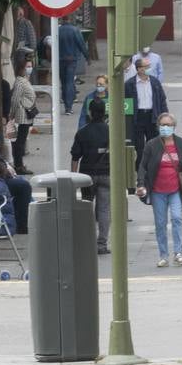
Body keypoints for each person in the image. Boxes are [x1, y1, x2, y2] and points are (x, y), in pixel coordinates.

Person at [136, 112, 182, 268]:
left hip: (175, 189)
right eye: (162, 125)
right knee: (160, 223)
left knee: (177, 218)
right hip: (157, 191)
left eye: (168, 125)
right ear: (158, 126)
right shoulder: (152, 144)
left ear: (174, 127)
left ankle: (178, 253)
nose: (165, 128)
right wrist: (140, 184)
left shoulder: (181, 144)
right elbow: (142, 166)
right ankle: (163, 255)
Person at [70, 98, 112, 254]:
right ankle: (102, 244)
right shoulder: (111, 131)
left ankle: (87, 242)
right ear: (104, 113)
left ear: (90, 112)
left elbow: (75, 157)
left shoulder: (82, 132)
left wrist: (74, 179)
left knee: (87, 208)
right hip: (107, 174)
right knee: (104, 210)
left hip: (87, 176)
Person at [124, 57, 167, 169]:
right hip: (137, 117)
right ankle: (140, 169)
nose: (149, 68)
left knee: (154, 143)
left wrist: (165, 116)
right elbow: (125, 103)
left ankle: (153, 167)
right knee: (139, 146)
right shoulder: (129, 84)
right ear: (139, 69)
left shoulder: (155, 82)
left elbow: (162, 100)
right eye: (146, 67)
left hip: (152, 116)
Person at [9, 57, 37, 175]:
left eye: (31, 66)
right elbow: (15, 99)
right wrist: (11, 114)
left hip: (26, 114)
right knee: (20, 141)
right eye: (28, 66)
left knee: (21, 140)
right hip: (22, 115)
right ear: (22, 68)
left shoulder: (25, 80)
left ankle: (19, 164)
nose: (30, 69)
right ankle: (18, 165)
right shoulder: (20, 81)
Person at [58, 18, 88, 114]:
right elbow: (81, 44)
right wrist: (87, 57)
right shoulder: (75, 30)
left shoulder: (58, 30)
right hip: (71, 59)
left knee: (63, 82)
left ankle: (65, 99)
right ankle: (69, 107)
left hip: (60, 59)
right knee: (70, 82)